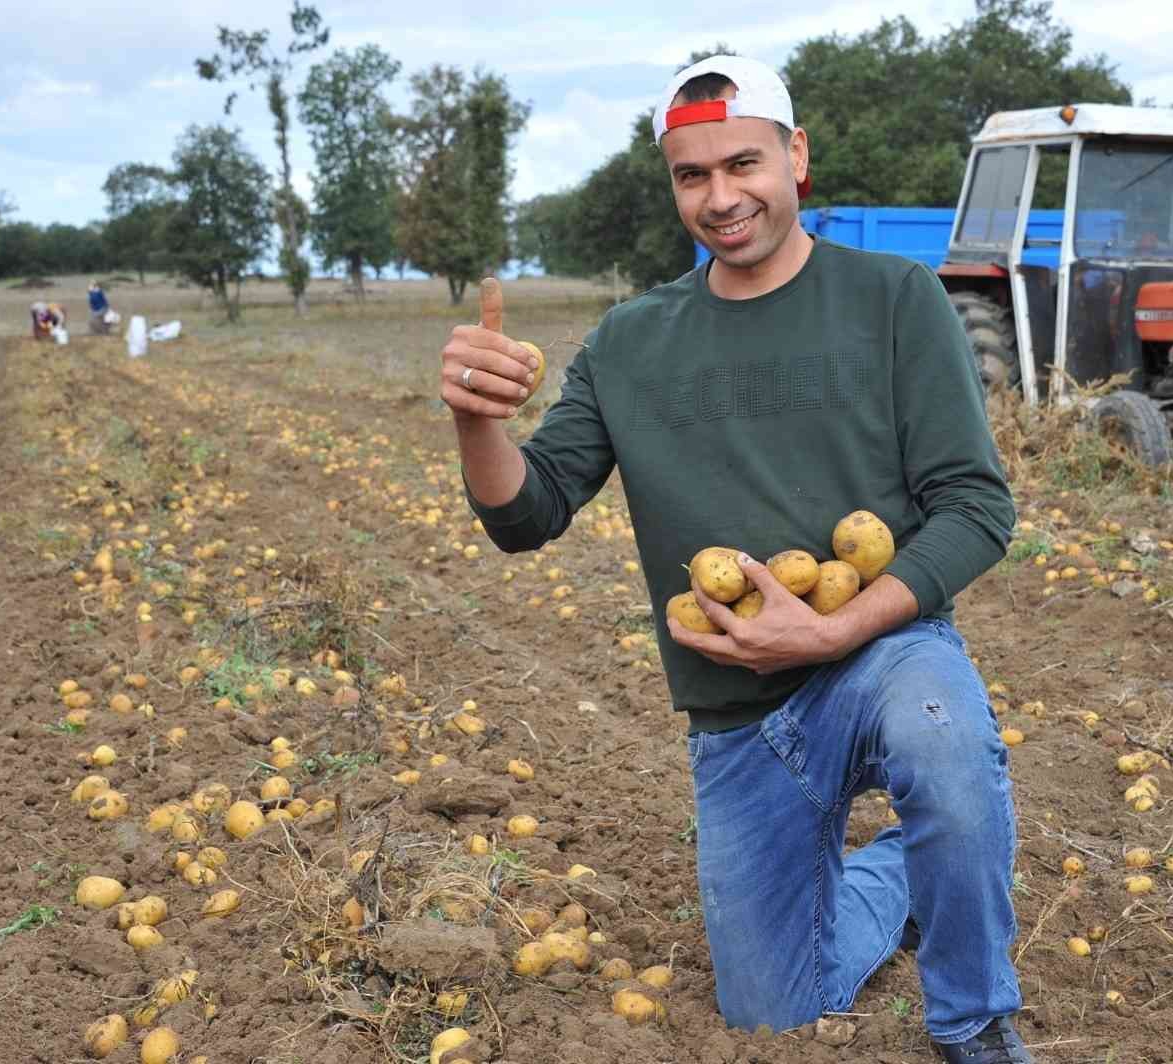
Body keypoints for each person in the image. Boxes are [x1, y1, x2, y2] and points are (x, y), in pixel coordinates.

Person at [441, 55, 1029, 1064]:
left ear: (796, 156)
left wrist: (838, 624)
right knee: (772, 1009)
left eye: (742, 163)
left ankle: (975, 1023)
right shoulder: (630, 342)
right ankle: (905, 872)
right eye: (690, 175)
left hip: (884, 656)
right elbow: (524, 515)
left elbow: (975, 506)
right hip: (738, 712)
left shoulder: (894, 300)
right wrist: (476, 424)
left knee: (942, 740)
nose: (720, 198)